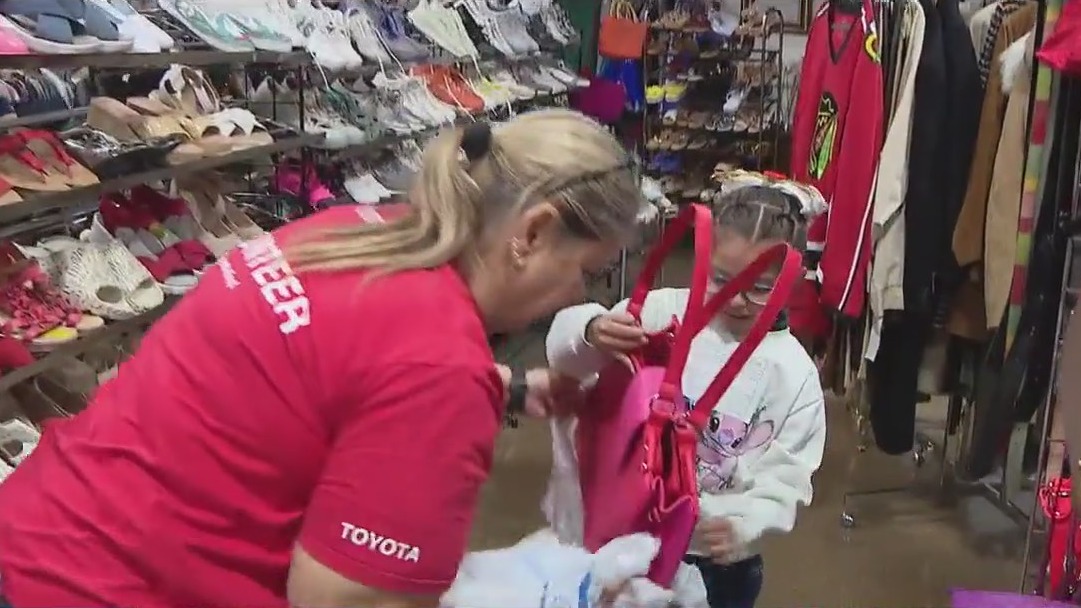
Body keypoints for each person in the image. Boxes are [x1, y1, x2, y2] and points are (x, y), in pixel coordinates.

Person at [0, 109, 644, 608]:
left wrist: (497, 392)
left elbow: (322, 373)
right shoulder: (439, 366)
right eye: (583, 270)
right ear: (531, 234)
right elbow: (339, 598)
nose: (577, 295)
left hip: (38, 534)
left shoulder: (353, 229)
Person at [545, 185, 827, 608]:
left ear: (791, 281)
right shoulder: (661, 312)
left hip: (717, 564)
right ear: (702, 259)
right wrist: (590, 329)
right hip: (624, 536)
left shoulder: (794, 373)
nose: (736, 299)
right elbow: (567, 355)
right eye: (721, 279)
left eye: (760, 287)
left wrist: (745, 522)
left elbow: (788, 474)